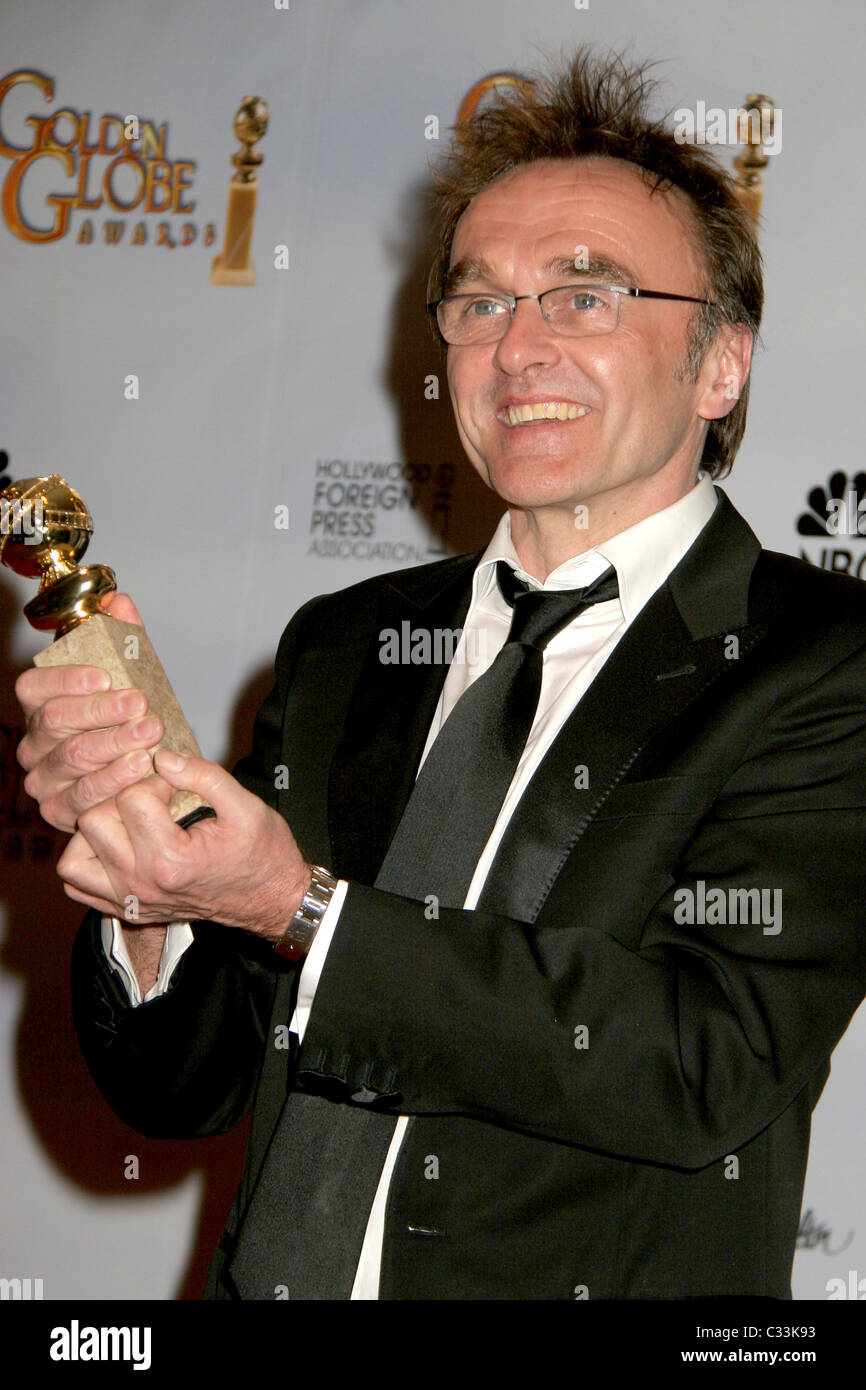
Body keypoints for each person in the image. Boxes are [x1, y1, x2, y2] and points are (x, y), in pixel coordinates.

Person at [14, 48, 866, 1300]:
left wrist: (302, 911)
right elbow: (183, 1088)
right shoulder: (344, 644)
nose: (517, 347)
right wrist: (154, 889)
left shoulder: (820, 660)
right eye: (479, 305)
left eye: (583, 297)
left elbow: (701, 1059)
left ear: (718, 362)